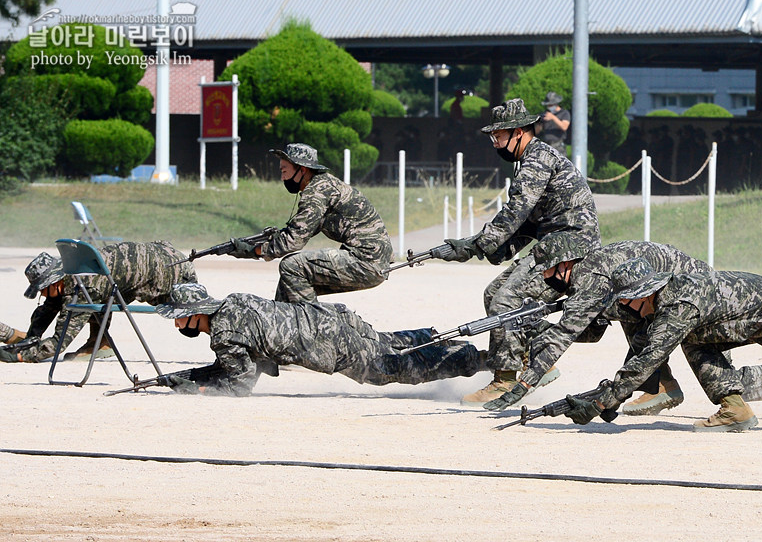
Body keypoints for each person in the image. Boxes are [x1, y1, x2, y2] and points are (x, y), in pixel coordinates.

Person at [483, 234, 762, 423]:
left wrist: (521, 385)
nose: (544, 279)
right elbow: (593, 329)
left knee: (677, 347)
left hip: (689, 299)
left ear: (563, 266)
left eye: (546, 272)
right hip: (657, 300)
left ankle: (664, 386)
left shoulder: (592, 279)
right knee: (694, 361)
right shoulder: (593, 277)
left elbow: (568, 334)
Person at [554, 258, 762, 432]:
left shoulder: (678, 308)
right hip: (748, 323)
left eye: (626, 300)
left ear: (644, 294)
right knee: (693, 342)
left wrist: (602, 402)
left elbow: (648, 361)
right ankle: (734, 409)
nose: (624, 308)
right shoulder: (665, 299)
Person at [439, 98, 600, 406]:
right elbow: (527, 224)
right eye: (493, 135)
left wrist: (476, 244)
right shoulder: (531, 159)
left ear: (521, 132)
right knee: (493, 292)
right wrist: (485, 247)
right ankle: (537, 361)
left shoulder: (537, 159)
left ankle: (505, 379)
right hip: (555, 243)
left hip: (569, 247)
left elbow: (516, 211)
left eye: (500, 134)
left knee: (506, 300)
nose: (495, 141)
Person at [154, 283, 489, 397]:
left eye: (179, 317)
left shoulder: (225, 336)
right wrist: (181, 377)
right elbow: (235, 366)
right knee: (386, 343)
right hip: (332, 318)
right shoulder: (233, 304)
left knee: (394, 368)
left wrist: (192, 389)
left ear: (196, 313)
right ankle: (430, 338)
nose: (177, 324)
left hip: (330, 344)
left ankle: (480, 359)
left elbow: (238, 384)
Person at [231, 143, 392, 303]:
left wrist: (254, 250)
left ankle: (311, 323)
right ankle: (281, 323)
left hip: (367, 262)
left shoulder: (316, 193)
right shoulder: (323, 184)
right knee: (288, 281)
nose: (282, 178)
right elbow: (301, 229)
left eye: (284, 171)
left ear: (302, 169)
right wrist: (271, 240)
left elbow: (294, 241)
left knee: (292, 266)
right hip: (373, 261)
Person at [0, 242, 197, 364]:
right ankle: (100, 343)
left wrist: (18, 357)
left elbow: (59, 342)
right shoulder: (72, 270)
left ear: (54, 281)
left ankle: (223, 341)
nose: (42, 294)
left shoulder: (83, 287)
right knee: (105, 293)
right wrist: (31, 338)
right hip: (165, 255)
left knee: (193, 320)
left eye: (42, 288)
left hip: (172, 273)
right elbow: (49, 307)